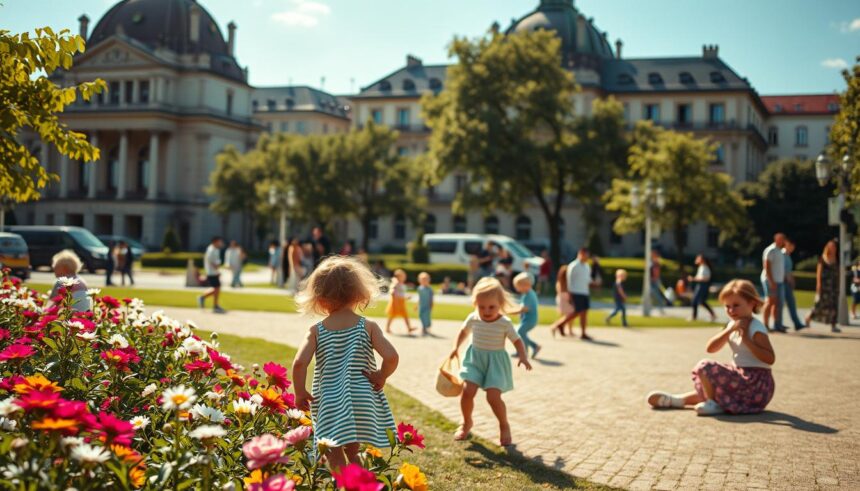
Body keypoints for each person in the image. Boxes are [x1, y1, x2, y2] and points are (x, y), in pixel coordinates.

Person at [291, 256, 399, 470]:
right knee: (352, 444)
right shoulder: (367, 326)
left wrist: (300, 392)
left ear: (319, 299)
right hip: (362, 397)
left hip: (330, 399)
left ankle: (344, 482)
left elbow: (299, 364)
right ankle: (359, 474)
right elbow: (391, 357)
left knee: (332, 449)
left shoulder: (316, 331)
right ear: (360, 294)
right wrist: (381, 375)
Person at [646, 279, 775, 416]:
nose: (731, 310)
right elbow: (711, 348)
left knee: (705, 367)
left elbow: (770, 358)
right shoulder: (733, 324)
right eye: (727, 306)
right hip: (743, 380)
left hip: (756, 385)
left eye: (736, 305)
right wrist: (728, 331)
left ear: (752, 303)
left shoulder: (756, 328)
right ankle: (678, 400)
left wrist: (746, 340)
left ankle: (712, 403)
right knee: (713, 384)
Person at [448, 277, 532, 446]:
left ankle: (504, 424)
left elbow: (517, 340)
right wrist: (455, 347)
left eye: (491, 307)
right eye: (481, 307)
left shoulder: (504, 323)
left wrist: (522, 356)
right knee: (467, 392)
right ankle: (466, 423)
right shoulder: (473, 318)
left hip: (495, 364)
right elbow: (463, 332)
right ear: (475, 304)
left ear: (500, 304)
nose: (486, 311)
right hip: (475, 360)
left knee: (493, 397)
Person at [550, 248, 596, 340]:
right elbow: (569, 280)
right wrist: (570, 293)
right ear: (581, 254)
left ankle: (583, 333)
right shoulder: (574, 265)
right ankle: (559, 324)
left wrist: (594, 283)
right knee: (576, 312)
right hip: (576, 292)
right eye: (586, 255)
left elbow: (587, 279)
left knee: (584, 313)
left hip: (584, 292)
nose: (587, 257)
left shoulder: (587, 266)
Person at [805, 240, 840, 333]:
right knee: (819, 305)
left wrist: (838, 285)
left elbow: (838, 273)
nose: (833, 248)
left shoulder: (837, 258)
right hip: (824, 286)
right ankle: (808, 318)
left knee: (834, 306)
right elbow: (818, 273)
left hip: (833, 286)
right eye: (831, 246)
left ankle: (833, 325)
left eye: (834, 247)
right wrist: (818, 285)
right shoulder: (823, 258)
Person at [760, 233, 787, 332]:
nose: (782, 241)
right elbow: (767, 266)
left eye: (783, 239)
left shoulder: (780, 251)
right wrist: (771, 281)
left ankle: (777, 325)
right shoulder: (771, 250)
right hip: (770, 280)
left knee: (777, 303)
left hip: (779, 281)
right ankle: (765, 325)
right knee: (770, 302)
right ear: (776, 239)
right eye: (781, 239)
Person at [512, 272, 541, 358]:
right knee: (522, 333)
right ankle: (523, 351)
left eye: (518, 286)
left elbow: (525, 308)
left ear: (526, 285)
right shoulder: (526, 294)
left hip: (530, 320)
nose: (517, 289)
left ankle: (534, 346)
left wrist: (512, 311)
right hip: (526, 319)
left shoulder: (529, 295)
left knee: (519, 332)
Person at [782, 239, 806, 330]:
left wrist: (792, 281)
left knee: (791, 303)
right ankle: (778, 324)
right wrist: (790, 280)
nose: (793, 248)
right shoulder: (782, 255)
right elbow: (783, 271)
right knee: (779, 305)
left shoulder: (788, 256)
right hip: (783, 283)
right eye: (791, 246)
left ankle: (797, 323)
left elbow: (789, 271)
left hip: (787, 283)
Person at [198, 237, 226, 314]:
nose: (220, 243)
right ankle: (211, 303)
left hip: (213, 272)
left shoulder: (215, 249)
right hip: (211, 272)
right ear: (215, 242)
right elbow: (211, 261)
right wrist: (217, 270)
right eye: (219, 242)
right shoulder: (211, 250)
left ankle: (212, 303)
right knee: (217, 288)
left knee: (217, 288)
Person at [385, 269, 415, 335]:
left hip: (401, 302)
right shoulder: (396, 283)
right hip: (396, 302)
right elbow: (393, 289)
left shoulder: (401, 284)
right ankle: (387, 328)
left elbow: (401, 294)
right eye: (403, 276)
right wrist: (392, 290)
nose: (404, 277)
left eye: (404, 276)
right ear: (398, 277)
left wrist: (406, 297)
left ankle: (409, 327)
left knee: (405, 315)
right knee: (392, 315)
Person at [688, 255, 716, 322]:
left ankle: (694, 317)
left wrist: (693, 279)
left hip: (703, 286)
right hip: (700, 285)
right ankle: (712, 314)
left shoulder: (705, 268)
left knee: (695, 301)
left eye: (698, 258)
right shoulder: (701, 267)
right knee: (701, 301)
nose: (697, 259)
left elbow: (706, 278)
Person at [554, 265, 574, 336]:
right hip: (565, 300)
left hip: (562, 300)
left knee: (566, 316)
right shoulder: (564, 283)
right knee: (569, 316)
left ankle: (565, 329)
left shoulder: (561, 283)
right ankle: (558, 326)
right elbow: (564, 293)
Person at [649, 249, 668, 314]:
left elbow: (656, 272)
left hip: (654, 281)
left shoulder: (656, 262)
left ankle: (661, 307)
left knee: (656, 294)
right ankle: (649, 308)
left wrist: (654, 278)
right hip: (652, 281)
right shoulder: (652, 261)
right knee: (650, 294)